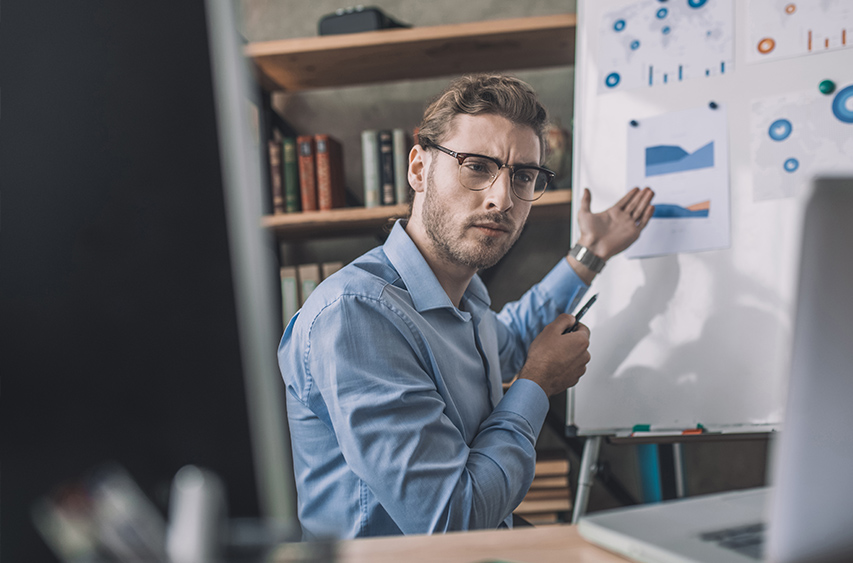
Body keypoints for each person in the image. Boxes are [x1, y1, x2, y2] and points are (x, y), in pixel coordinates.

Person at [277, 74, 655, 539]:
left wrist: (590, 251)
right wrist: (537, 383)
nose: (502, 198)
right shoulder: (356, 316)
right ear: (419, 169)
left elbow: (510, 340)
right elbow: (451, 520)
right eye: (476, 166)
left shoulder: (464, 293)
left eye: (523, 176)